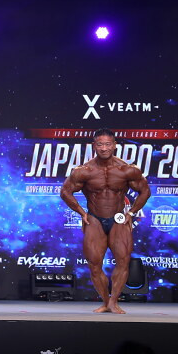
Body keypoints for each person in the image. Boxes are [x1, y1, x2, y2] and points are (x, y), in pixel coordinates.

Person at [60, 128, 151, 314]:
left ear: (114, 145)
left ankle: (114, 302)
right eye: (100, 144)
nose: (104, 148)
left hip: (118, 220)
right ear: (94, 146)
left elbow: (145, 191)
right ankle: (105, 301)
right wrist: (81, 212)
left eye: (108, 144)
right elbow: (65, 192)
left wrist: (131, 213)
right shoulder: (84, 171)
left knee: (123, 261)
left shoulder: (127, 169)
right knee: (94, 265)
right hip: (94, 219)